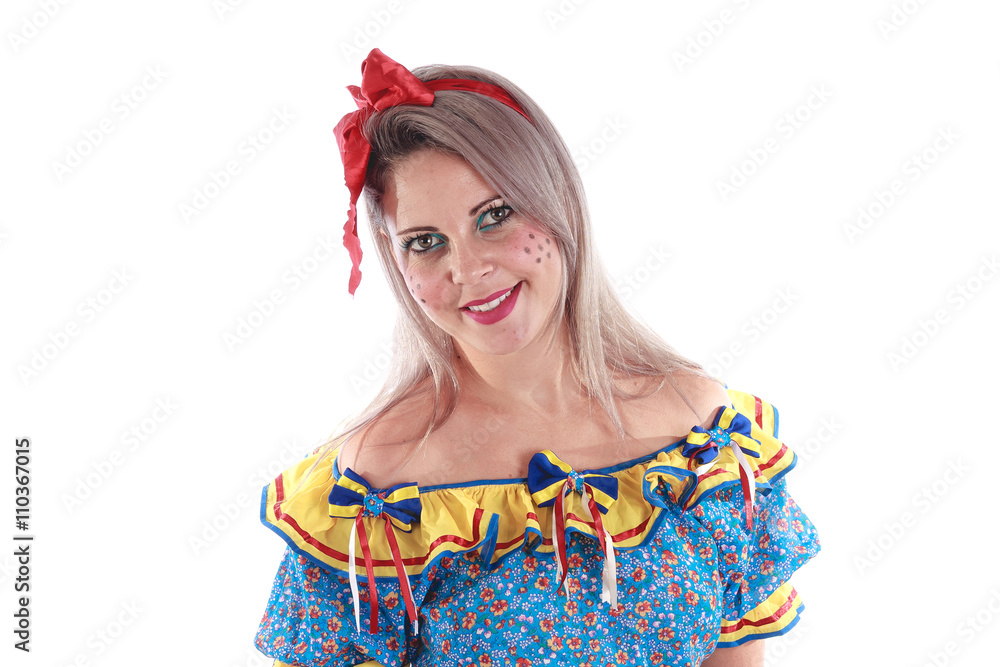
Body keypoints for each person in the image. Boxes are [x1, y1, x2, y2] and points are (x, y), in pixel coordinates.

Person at [253, 47, 821, 667]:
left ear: (557, 204)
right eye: (425, 241)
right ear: (396, 260)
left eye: (494, 216)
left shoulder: (701, 437)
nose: (468, 269)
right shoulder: (380, 490)